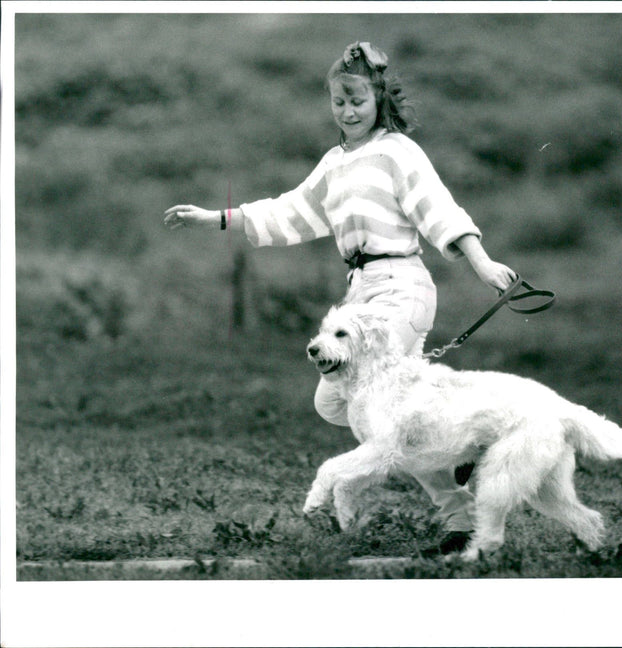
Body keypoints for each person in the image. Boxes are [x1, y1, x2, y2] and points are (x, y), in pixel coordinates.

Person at [163, 41, 517, 556]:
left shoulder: (397, 150)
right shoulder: (334, 163)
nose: (347, 112)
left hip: (402, 288)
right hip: (361, 297)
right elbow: (289, 213)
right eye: (338, 102)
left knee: (387, 408)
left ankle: (466, 482)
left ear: (378, 98)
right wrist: (216, 218)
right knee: (337, 403)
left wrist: (482, 262)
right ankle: (465, 471)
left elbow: (437, 208)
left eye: (357, 101)